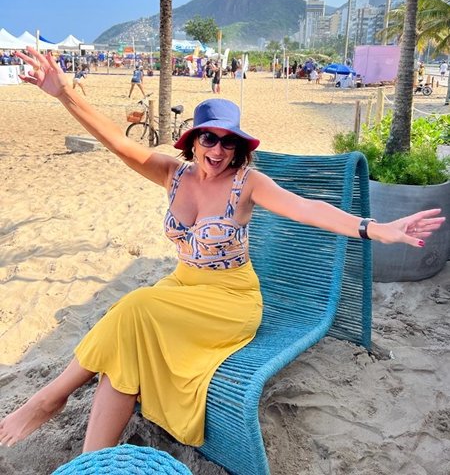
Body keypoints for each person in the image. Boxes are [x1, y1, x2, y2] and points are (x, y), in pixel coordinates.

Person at [0, 46, 445, 454]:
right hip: (181, 289)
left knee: (133, 307)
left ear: (239, 148)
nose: (218, 149)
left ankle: (49, 397)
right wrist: (62, 93)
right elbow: (118, 141)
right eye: (209, 138)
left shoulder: (247, 183)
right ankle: (93, 462)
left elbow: (306, 208)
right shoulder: (173, 175)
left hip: (231, 302)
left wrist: (376, 229)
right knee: (126, 347)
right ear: (193, 139)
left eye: (228, 141)